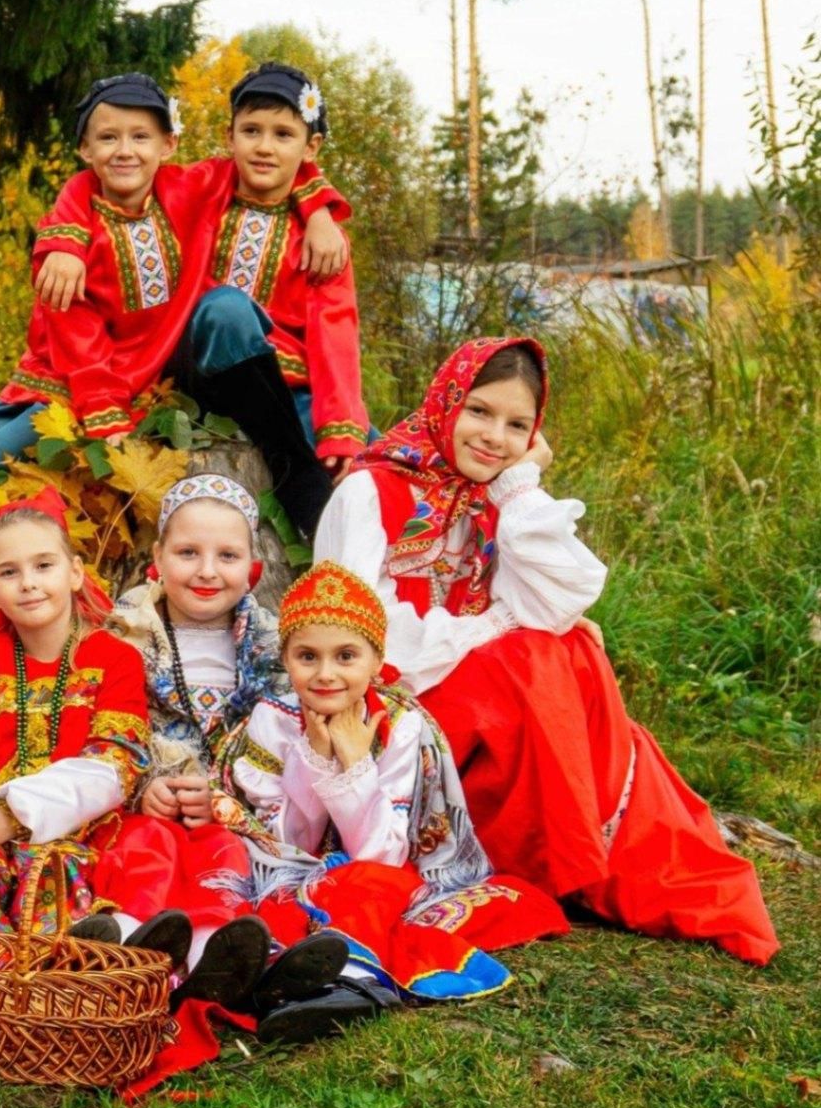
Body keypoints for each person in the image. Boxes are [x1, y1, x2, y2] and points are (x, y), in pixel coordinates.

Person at [314, 337, 778, 965]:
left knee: (574, 650)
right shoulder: (371, 492)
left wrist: (521, 486)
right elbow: (354, 638)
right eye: (479, 411)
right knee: (531, 655)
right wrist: (495, 624)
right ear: (446, 400)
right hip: (390, 710)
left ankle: (578, 855)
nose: (493, 438)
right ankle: (563, 861)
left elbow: (565, 593)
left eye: (517, 426)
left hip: (477, 704)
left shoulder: (496, 497)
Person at [0, 66, 363, 538]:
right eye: (251, 131)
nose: (265, 146)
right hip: (143, 373)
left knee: (366, 462)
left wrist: (320, 209)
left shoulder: (321, 239)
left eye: (282, 134)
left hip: (293, 384)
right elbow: (97, 182)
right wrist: (64, 244)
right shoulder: (201, 187)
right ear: (229, 137)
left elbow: (337, 331)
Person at [212, 562, 571, 1043]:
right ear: (286, 659)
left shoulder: (401, 726)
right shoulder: (272, 719)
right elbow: (289, 844)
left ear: (376, 661)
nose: (325, 675)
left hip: (377, 866)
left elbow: (380, 852)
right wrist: (317, 758)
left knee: (368, 883)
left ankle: (349, 980)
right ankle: (293, 978)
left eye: (345, 656)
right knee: (265, 898)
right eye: (306, 657)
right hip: (293, 869)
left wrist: (356, 762)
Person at [107, 474, 347, 1010]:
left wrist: (225, 798)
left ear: (252, 566)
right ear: (158, 557)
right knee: (148, 849)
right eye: (188, 552)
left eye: (228, 555)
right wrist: (145, 786)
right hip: (147, 808)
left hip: (236, 813)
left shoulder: (275, 645)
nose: (208, 571)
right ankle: (127, 945)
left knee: (227, 857)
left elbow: (282, 734)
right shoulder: (123, 638)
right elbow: (107, 725)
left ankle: (218, 953)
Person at [0, 490, 191, 962]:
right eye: (9, 572)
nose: (28, 583)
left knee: (130, 850)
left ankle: (93, 957)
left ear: (74, 572)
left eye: (43, 566)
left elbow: (115, 761)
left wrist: (16, 815)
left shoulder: (114, 658)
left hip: (80, 826)